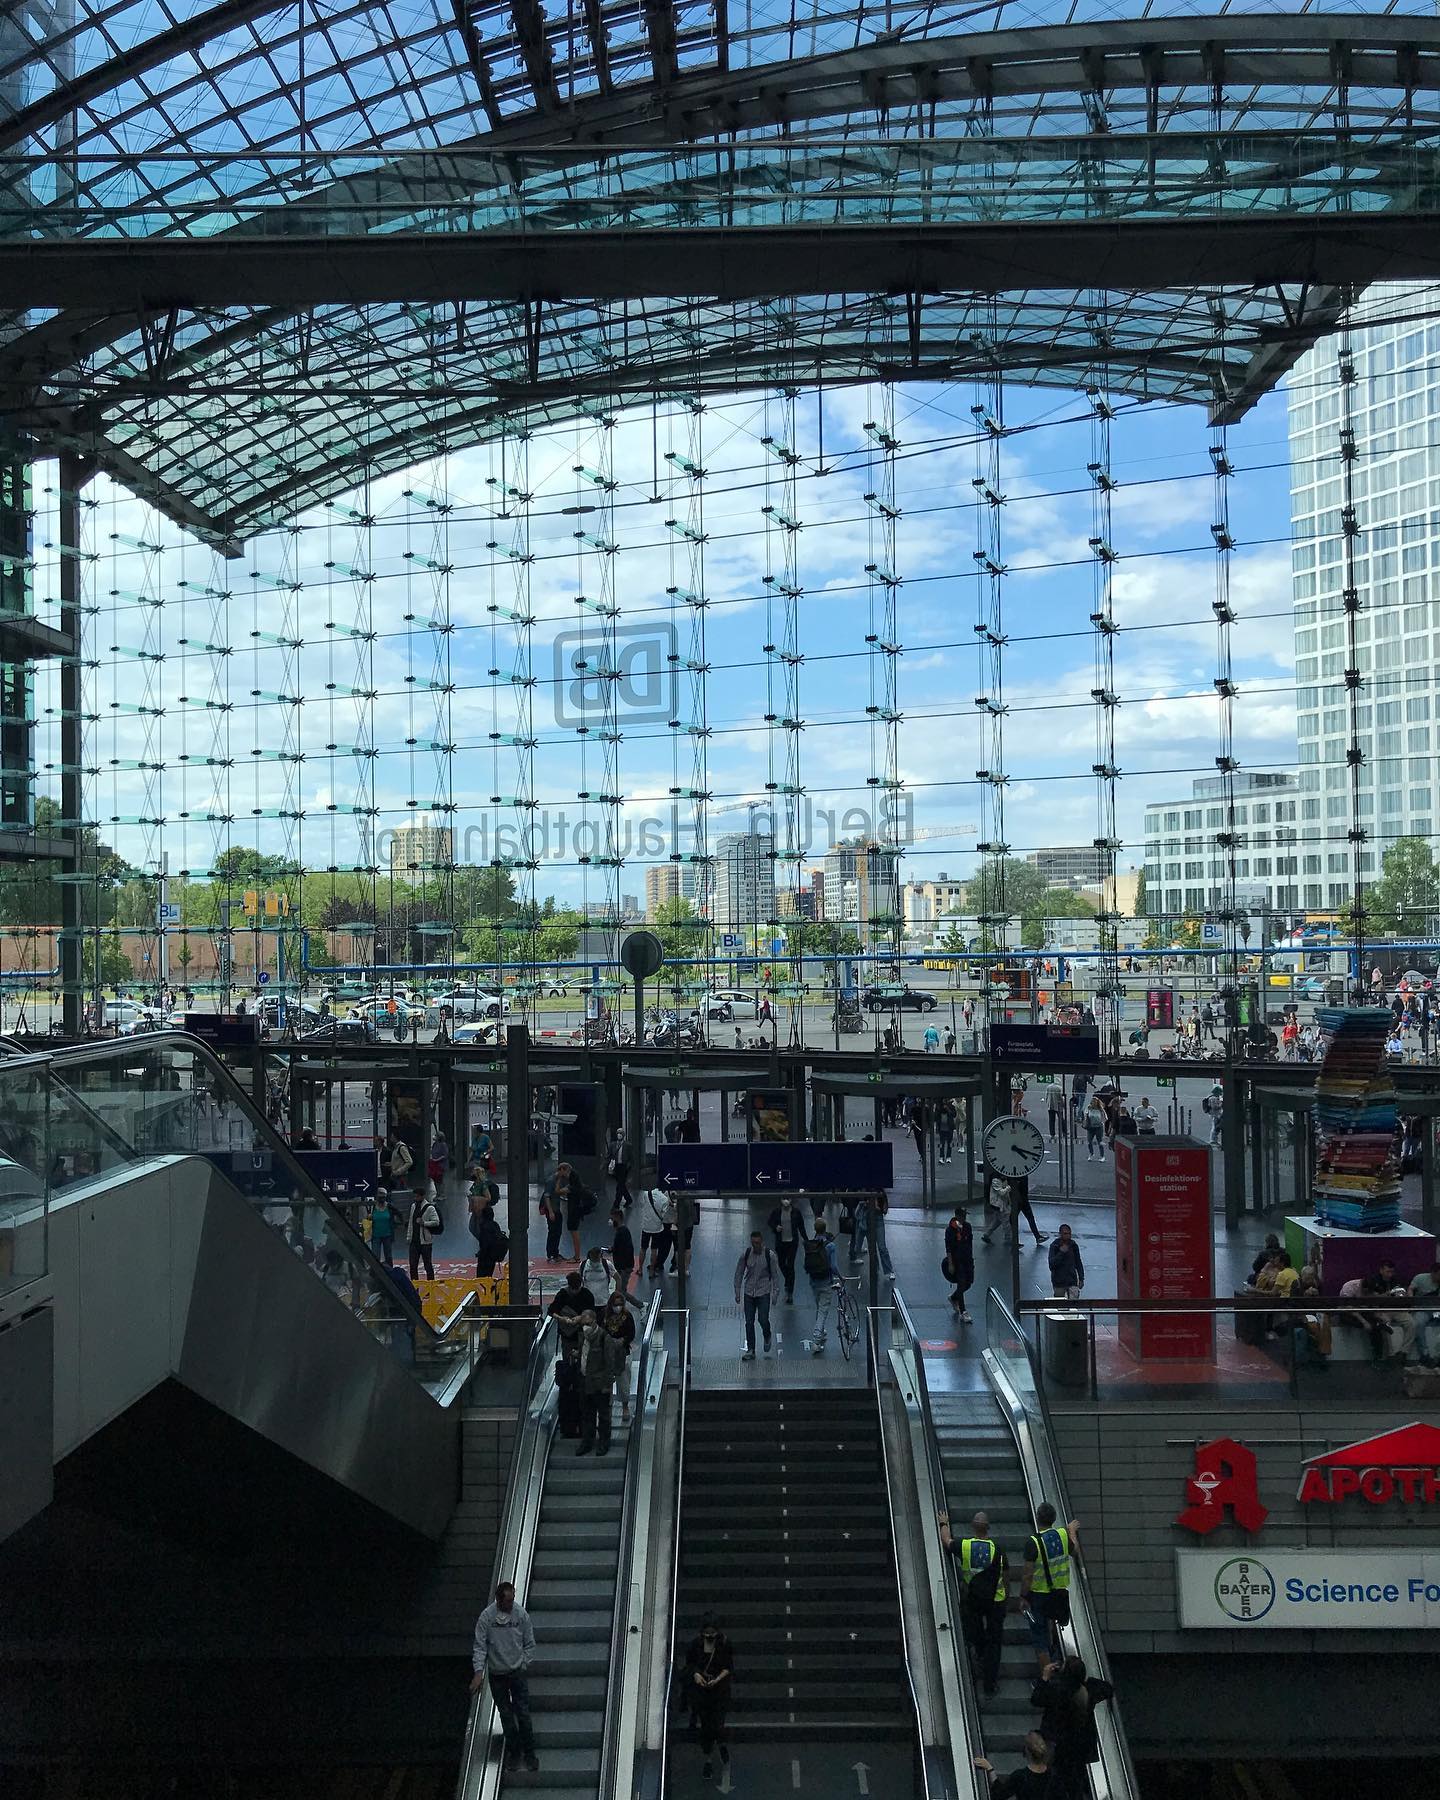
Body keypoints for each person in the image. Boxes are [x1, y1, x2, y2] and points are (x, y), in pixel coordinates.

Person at [470, 1581, 539, 1775]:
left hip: (516, 1672)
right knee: (506, 1715)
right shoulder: (486, 1618)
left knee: (523, 1713)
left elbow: (529, 1643)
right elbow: (480, 1646)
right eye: (508, 1601)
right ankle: (514, 1752)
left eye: (512, 1599)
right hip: (497, 1674)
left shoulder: (520, 1615)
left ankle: (529, 1753)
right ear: (498, 1600)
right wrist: (478, 1672)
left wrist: (523, 1664)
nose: (511, 1604)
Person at [939, 1508, 1008, 1695]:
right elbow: (1005, 1576)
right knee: (995, 1643)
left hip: (973, 1598)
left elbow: (946, 1540)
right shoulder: (998, 1550)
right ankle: (990, 1684)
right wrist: (1007, 1598)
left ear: (972, 1526)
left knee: (976, 1631)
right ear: (988, 1528)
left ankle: (979, 1652)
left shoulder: (965, 1546)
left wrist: (943, 1522)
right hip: (996, 1600)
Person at [1031, 1655, 1114, 1799]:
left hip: (1058, 1744)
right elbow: (1108, 1689)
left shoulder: (1056, 1690)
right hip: (1080, 1745)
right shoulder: (1089, 1689)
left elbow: (1036, 1699)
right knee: (1075, 1781)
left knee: (1055, 1780)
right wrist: (1086, 1680)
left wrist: (1045, 1677)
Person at [1021, 1503, 1080, 1671]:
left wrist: (1023, 1596)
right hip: (1059, 1593)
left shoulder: (1033, 1542)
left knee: (1039, 1637)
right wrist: (1071, 1531)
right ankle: (1056, 1659)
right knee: (1052, 1622)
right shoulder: (1062, 1535)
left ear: (1037, 1518)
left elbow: (1027, 1575)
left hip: (1039, 1595)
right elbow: (1075, 1551)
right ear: (1054, 1519)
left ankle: (1048, 1675)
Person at [683, 1613, 733, 1780]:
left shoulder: (724, 1644)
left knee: (717, 1723)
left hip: (719, 1690)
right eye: (707, 1633)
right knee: (706, 1727)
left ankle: (720, 1743)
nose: (709, 1637)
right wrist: (697, 1675)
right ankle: (709, 1758)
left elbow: (728, 1667)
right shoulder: (695, 1645)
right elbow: (690, 1665)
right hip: (702, 1692)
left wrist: (716, 1680)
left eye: (712, 1633)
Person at [734, 1228, 783, 1360]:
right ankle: (751, 1349)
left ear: (762, 1242)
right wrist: (737, 1291)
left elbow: (775, 1275)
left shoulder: (769, 1256)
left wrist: (775, 1293)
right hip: (749, 1292)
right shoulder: (746, 1254)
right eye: (753, 1243)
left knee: (762, 1318)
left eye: (757, 1243)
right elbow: (739, 1273)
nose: (755, 1245)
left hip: (763, 1292)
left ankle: (767, 1334)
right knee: (749, 1321)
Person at [576, 1308, 616, 1456]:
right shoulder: (583, 1338)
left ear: (594, 1321)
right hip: (585, 1382)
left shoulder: (604, 1338)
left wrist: (607, 1385)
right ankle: (587, 1441)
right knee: (587, 1414)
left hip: (600, 1384)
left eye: (587, 1323)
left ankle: (604, 1442)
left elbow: (610, 1363)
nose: (585, 1327)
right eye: (583, 1324)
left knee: (603, 1415)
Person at [974, 1731, 1060, 1800]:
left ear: (1026, 1751)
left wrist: (990, 1769)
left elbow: (999, 1795)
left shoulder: (1020, 1777)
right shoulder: (1055, 1777)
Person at [804, 1217, 840, 1355]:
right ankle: (816, 1340)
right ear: (825, 1229)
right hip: (826, 1282)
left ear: (815, 1229)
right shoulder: (830, 1246)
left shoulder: (811, 1244)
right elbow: (833, 1266)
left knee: (819, 1307)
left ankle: (822, 1331)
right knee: (823, 1311)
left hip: (814, 1281)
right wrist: (841, 1277)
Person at [601, 1289, 637, 1422]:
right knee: (607, 1381)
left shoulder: (627, 1316)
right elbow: (600, 1331)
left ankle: (625, 1406)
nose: (618, 1307)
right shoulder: (604, 1315)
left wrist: (623, 1340)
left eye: (620, 1304)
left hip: (623, 1352)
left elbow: (631, 1333)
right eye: (615, 1304)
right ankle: (608, 1406)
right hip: (607, 1353)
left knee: (623, 1381)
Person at [768, 1194, 810, 1303]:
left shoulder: (796, 1212)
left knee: (790, 1265)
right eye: (784, 1199)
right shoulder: (777, 1212)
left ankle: (790, 1291)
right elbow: (770, 1222)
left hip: (792, 1243)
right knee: (781, 1264)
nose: (786, 1201)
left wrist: (806, 1239)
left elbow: (801, 1226)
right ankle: (788, 1280)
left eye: (788, 1198)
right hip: (780, 1242)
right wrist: (775, 1227)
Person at [944, 1206, 975, 1321]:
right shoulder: (950, 1230)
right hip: (957, 1260)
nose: (964, 1218)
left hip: (967, 1259)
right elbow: (948, 1247)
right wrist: (950, 1263)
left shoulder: (967, 1227)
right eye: (962, 1215)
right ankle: (963, 1311)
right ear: (957, 1216)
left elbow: (970, 1243)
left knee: (968, 1283)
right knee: (961, 1284)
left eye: (965, 1215)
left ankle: (953, 1297)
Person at [469, 1193, 509, 1280]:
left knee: (481, 1278)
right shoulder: (495, 1225)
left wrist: (481, 1254)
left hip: (486, 1257)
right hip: (492, 1256)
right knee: (489, 1276)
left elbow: (484, 1244)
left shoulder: (483, 1227)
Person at [641, 1182, 675, 1278]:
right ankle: (658, 1263)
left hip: (666, 1221)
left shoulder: (652, 1193)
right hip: (665, 1220)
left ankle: (660, 1263)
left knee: (664, 1243)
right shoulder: (667, 1193)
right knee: (661, 1244)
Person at [407, 1183, 440, 1281]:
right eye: (415, 1196)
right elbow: (411, 1222)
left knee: (428, 1265)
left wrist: (424, 1223)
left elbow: (436, 1221)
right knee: (413, 1266)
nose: (415, 1198)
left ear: (422, 1196)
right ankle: (415, 1286)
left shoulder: (430, 1208)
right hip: (414, 1241)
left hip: (425, 1242)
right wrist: (409, 1236)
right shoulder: (413, 1206)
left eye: (417, 1196)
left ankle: (431, 1285)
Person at [609, 1206, 639, 1305]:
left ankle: (640, 1305)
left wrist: (623, 1267)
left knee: (621, 1291)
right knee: (621, 1290)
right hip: (623, 1266)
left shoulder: (622, 1232)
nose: (611, 1221)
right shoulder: (621, 1231)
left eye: (612, 1218)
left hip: (624, 1267)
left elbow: (626, 1250)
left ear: (617, 1218)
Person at [1048, 1224, 1084, 1302]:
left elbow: (1078, 1262)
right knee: (1059, 1303)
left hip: (1072, 1280)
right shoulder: (1055, 1246)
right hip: (1059, 1281)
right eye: (1065, 1234)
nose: (1068, 1236)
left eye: (1069, 1234)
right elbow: (1051, 1264)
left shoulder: (1073, 1245)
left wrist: (1081, 1278)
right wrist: (1061, 1253)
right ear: (1060, 1234)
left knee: (1074, 1302)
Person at [368, 1188, 396, 1267]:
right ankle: (376, 1271)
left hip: (387, 1235)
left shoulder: (389, 1206)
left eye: (383, 1197)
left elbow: (398, 1213)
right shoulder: (372, 1206)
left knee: (388, 1256)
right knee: (375, 1256)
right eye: (380, 1197)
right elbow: (367, 1218)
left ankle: (390, 1270)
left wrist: (397, 1224)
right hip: (375, 1235)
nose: (382, 1199)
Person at [610, 1139, 633, 1211]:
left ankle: (616, 1204)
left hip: (624, 1167)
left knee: (619, 1186)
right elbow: (610, 1155)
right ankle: (628, 1199)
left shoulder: (628, 1145)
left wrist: (628, 1166)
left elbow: (631, 1158)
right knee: (621, 1184)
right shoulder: (613, 1145)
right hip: (616, 1166)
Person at [1082, 1092, 1106, 1161]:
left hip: (1098, 1127)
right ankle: (1091, 1154)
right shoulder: (1088, 1108)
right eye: (1092, 1102)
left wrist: (1101, 1122)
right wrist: (1086, 1120)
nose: (1093, 1103)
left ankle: (1102, 1156)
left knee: (1100, 1142)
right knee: (1089, 1141)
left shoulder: (1101, 1109)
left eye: (1095, 1102)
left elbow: (1105, 1117)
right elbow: (1085, 1115)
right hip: (1090, 1127)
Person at [427, 1128, 449, 1194]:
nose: (434, 1137)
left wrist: (437, 1159)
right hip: (434, 1164)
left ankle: (442, 1194)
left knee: (440, 1180)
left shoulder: (443, 1145)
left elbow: (445, 1155)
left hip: (441, 1165)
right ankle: (438, 1193)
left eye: (436, 1136)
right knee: (435, 1180)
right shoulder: (434, 1144)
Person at [1202, 1081, 1224, 1146]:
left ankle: (1214, 1140)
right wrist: (1221, 1104)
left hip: (1214, 1114)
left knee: (1216, 1127)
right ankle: (1213, 1140)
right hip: (1214, 1114)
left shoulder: (1211, 1097)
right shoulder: (1213, 1098)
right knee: (1215, 1127)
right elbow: (1214, 1107)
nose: (1220, 1094)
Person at [937, 1099, 957, 1165]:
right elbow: (936, 1116)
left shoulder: (951, 1107)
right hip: (941, 1128)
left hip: (949, 1128)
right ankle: (941, 1157)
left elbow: (954, 1114)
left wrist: (948, 1109)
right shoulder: (939, 1107)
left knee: (949, 1143)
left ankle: (948, 1157)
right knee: (941, 1143)